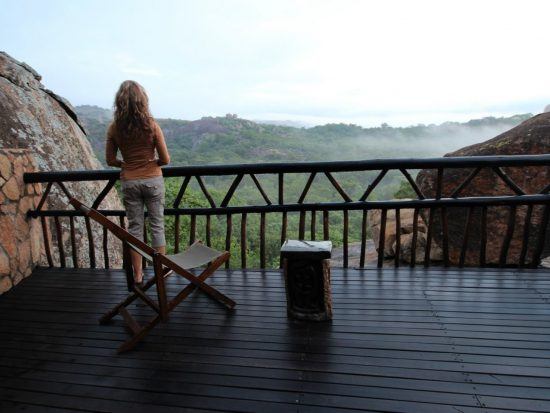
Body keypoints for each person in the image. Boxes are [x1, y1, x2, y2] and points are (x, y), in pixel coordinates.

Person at [105, 80, 170, 287]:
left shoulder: (115, 128)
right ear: (143, 101)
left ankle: (139, 275)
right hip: (153, 180)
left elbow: (110, 160)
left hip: (130, 181)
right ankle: (160, 272)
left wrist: (126, 163)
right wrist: (151, 163)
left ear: (119, 102)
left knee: (135, 229)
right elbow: (166, 159)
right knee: (157, 226)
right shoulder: (151, 125)